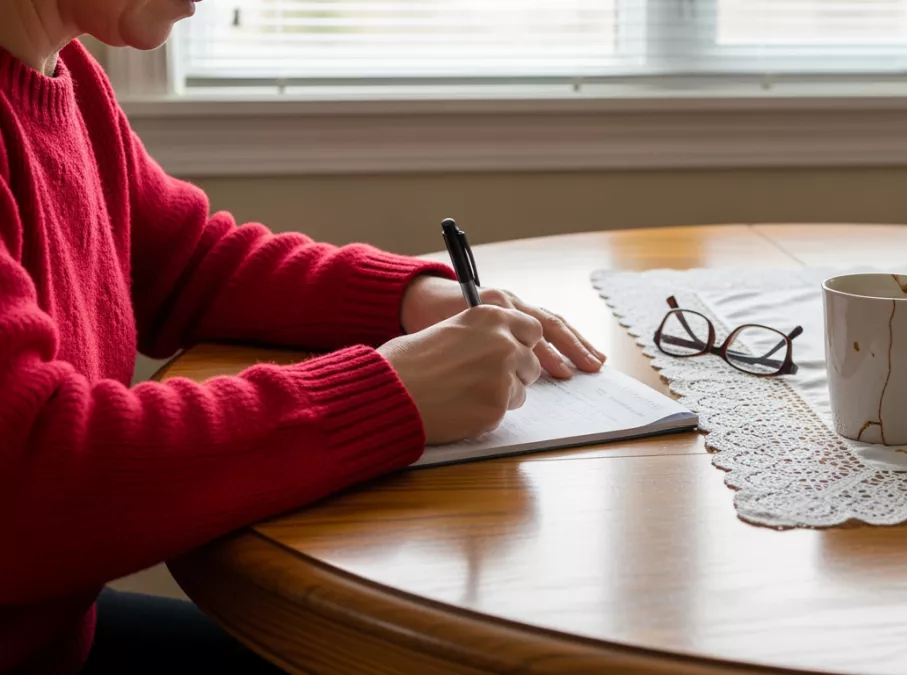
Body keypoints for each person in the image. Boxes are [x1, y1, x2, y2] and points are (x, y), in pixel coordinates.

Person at [0, 0, 607, 672]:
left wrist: (408, 298)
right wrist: (385, 393)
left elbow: (185, 263)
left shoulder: (67, 71)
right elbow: (29, 468)